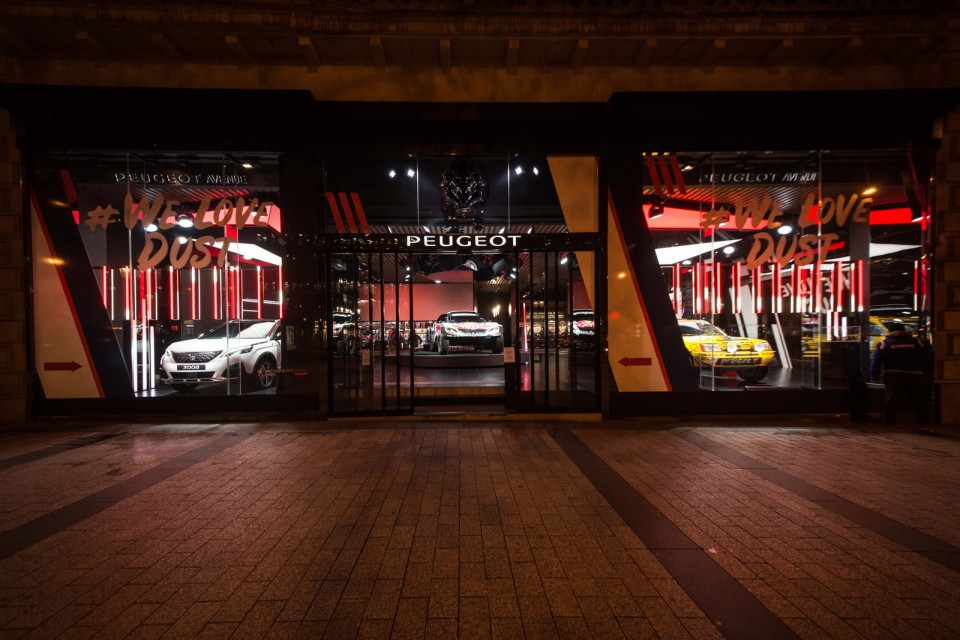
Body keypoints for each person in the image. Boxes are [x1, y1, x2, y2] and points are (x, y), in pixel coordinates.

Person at [870, 322, 932, 431]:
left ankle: (890, 423)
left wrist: (874, 375)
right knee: (918, 399)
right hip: (915, 374)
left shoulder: (885, 343)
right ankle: (923, 423)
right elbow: (927, 358)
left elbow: (876, 360)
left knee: (892, 399)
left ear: (890, 332)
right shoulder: (917, 342)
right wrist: (927, 372)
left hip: (893, 373)